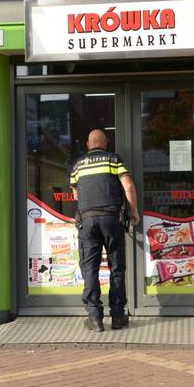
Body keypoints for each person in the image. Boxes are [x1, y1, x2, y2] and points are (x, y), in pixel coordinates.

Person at [70, 129, 139, 332]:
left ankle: (95, 318)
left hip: (87, 221)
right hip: (111, 219)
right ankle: (118, 317)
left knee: (90, 269)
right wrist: (134, 212)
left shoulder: (77, 165)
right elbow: (128, 186)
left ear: (88, 144)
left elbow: (75, 193)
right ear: (105, 143)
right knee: (116, 267)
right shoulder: (113, 160)